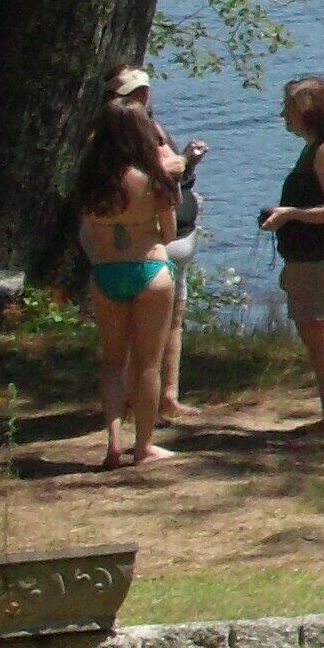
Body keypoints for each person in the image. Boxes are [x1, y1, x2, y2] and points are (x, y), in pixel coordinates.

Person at [76, 99, 184, 470]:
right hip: (149, 269)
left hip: (106, 271)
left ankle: (112, 443)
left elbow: (89, 231)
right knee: (148, 365)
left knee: (112, 362)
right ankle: (144, 445)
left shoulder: (90, 182)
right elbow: (169, 234)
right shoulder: (153, 180)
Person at [253, 74, 324, 440]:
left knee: (320, 340)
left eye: (288, 108)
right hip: (306, 257)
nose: (283, 115)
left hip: (320, 257)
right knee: (315, 340)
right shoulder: (312, 148)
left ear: (306, 112)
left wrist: (291, 215)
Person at [111, 66, 206, 426]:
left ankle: (168, 396)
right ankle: (138, 402)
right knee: (143, 329)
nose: (143, 99)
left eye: (143, 92)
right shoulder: (114, 142)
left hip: (178, 234)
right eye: (133, 94)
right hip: (148, 242)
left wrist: (188, 164)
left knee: (174, 321)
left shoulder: (156, 130)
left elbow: (173, 180)